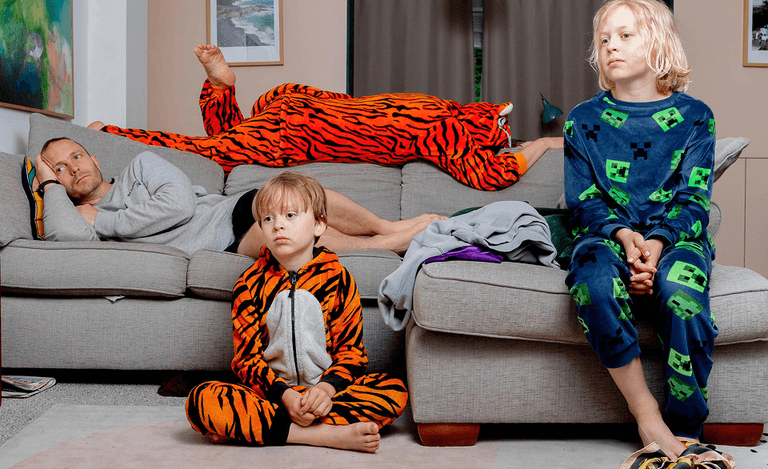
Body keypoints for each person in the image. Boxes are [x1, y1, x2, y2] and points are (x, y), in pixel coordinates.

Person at [563, 0, 733, 467]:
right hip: (606, 239)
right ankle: (648, 417)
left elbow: (694, 199)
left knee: (682, 293)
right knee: (595, 284)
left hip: (675, 238)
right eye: (603, 39)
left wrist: (656, 245)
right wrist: (624, 238)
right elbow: (582, 203)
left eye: (624, 35)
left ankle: (685, 429)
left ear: (656, 43)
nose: (610, 47)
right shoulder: (583, 120)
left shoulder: (696, 116)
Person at [87, 44, 563, 191]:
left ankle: (222, 87)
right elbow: (492, 174)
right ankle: (107, 134)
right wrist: (543, 145)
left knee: (231, 142)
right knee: (212, 153)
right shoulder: (448, 131)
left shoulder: (439, 107)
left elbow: (491, 161)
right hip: (304, 132)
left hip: (296, 102)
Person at [185, 172, 408, 452]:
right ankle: (323, 435)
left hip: (327, 394)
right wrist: (286, 396)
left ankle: (260, 429)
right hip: (273, 395)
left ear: (319, 225)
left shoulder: (338, 278)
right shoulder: (249, 285)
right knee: (202, 400)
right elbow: (246, 361)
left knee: (394, 390)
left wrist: (325, 390)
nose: (278, 225)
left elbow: (351, 354)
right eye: (268, 219)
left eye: (290, 215)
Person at [33, 137, 442, 256]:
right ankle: (394, 242)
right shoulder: (79, 219)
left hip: (229, 213)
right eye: (61, 169)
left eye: (77, 156)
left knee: (293, 194)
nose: (74, 168)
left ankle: (391, 231)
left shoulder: (140, 166)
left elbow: (179, 204)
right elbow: (62, 237)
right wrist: (47, 183)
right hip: (224, 244)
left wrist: (102, 220)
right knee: (284, 235)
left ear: (95, 157)